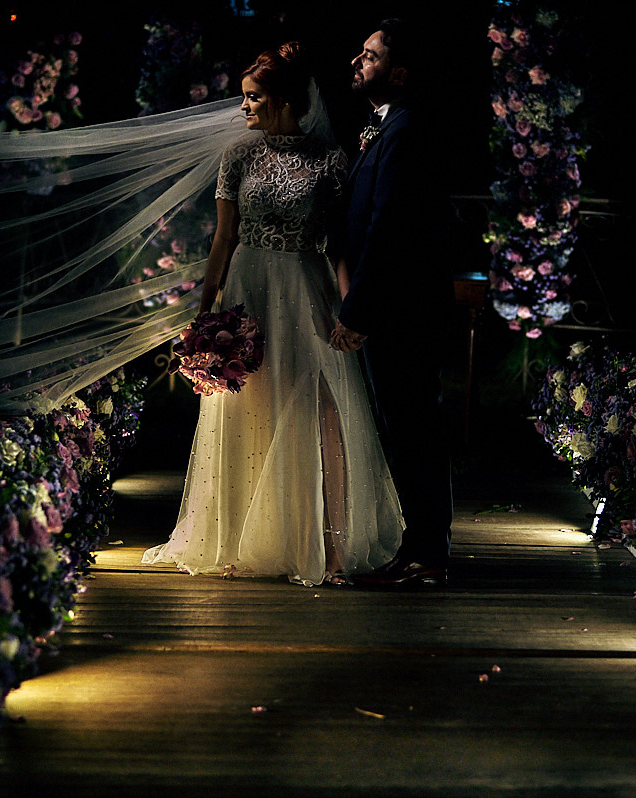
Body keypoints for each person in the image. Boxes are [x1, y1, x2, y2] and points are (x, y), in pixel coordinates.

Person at [142, 43, 404, 587]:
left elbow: (339, 247)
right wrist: (206, 312)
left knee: (322, 412)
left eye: (253, 97)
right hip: (250, 291)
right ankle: (241, 540)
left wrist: (350, 308)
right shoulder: (238, 156)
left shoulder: (331, 160)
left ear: (284, 99)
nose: (243, 107)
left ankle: (330, 548)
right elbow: (224, 238)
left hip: (307, 290)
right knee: (247, 412)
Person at [329, 19, 455, 588]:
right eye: (360, 53)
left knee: (415, 432)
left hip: (404, 311)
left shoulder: (405, 129)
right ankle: (418, 548)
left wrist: (357, 310)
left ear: (399, 72)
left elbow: (387, 230)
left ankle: (429, 553)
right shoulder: (383, 128)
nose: (358, 61)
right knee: (405, 432)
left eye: (371, 56)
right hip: (397, 307)